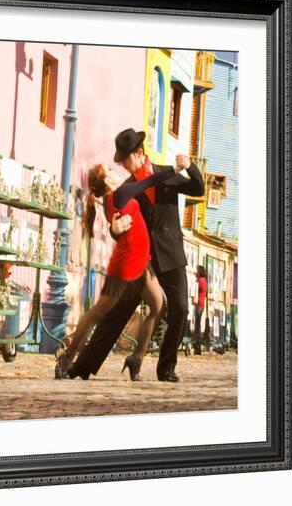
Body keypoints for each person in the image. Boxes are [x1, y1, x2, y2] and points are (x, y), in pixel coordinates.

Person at [69, 128, 205, 383]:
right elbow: (118, 221)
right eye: (119, 161)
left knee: (180, 309)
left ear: (139, 153)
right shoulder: (128, 187)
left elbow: (198, 189)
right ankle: (81, 366)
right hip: (143, 259)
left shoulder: (167, 173)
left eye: (125, 159)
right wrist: (113, 230)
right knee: (118, 313)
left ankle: (166, 368)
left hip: (172, 255)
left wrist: (190, 165)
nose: (121, 165)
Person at [55, 160, 181, 381]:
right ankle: (66, 359)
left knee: (158, 306)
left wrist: (116, 228)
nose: (115, 172)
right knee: (97, 313)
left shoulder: (110, 200)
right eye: (111, 171)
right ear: (107, 181)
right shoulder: (120, 193)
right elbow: (151, 180)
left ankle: (136, 359)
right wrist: (176, 170)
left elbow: (120, 226)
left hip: (140, 262)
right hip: (127, 266)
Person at [193, 265, 207, 355]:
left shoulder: (200, 281)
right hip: (202, 304)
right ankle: (197, 345)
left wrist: (195, 280)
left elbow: (195, 290)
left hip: (198, 304)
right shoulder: (205, 281)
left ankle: (197, 346)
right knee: (198, 325)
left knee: (197, 326)